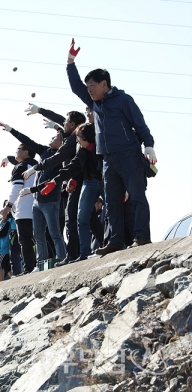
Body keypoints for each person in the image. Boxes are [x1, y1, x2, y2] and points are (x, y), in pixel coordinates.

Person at [66, 38, 156, 254]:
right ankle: (115, 241)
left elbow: (139, 122)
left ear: (105, 84)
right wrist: (70, 62)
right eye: (87, 87)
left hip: (129, 154)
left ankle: (141, 236)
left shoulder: (123, 100)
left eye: (92, 86)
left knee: (136, 196)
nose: (88, 90)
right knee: (112, 201)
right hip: (107, 158)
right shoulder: (94, 104)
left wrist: (149, 145)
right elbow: (75, 87)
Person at [22, 105, 87, 262]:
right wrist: (40, 111)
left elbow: (58, 158)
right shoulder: (71, 134)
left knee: (72, 222)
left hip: (77, 181)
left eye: (66, 123)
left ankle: (74, 255)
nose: (63, 124)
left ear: (72, 125)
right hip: (70, 182)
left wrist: (36, 168)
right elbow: (59, 119)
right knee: (81, 219)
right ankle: (73, 254)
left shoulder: (72, 140)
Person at [36, 123, 104, 264]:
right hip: (89, 182)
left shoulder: (102, 146)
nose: (77, 140)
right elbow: (73, 166)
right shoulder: (81, 150)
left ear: (87, 137)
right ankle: (85, 253)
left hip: (106, 180)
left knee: (113, 211)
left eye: (79, 137)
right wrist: (55, 181)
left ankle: (115, 244)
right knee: (82, 218)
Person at [0, 122, 66, 263]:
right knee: (38, 235)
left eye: (57, 137)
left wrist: (57, 127)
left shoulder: (61, 156)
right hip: (36, 201)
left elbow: (50, 178)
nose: (52, 138)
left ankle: (62, 259)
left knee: (54, 233)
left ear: (62, 142)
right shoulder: (44, 151)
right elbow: (27, 141)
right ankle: (41, 262)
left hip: (51, 199)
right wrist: (11, 130)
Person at [0, 144, 38, 274]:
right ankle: (44, 262)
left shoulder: (20, 167)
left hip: (24, 209)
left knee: (25, 241)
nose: (15, 153)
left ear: (26, 152)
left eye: (17, 150)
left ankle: (29, 268)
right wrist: (7, 159)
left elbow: (17, 188)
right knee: (41, 238)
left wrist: (8, 206)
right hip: (39, 206)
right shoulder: (37, 165)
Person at [0, 200, 17, 281]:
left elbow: (7, 233)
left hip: (6, 246)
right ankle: (13, 278)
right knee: (5, 265)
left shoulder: (12, 221)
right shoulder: (1, 221)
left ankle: (0, 282)